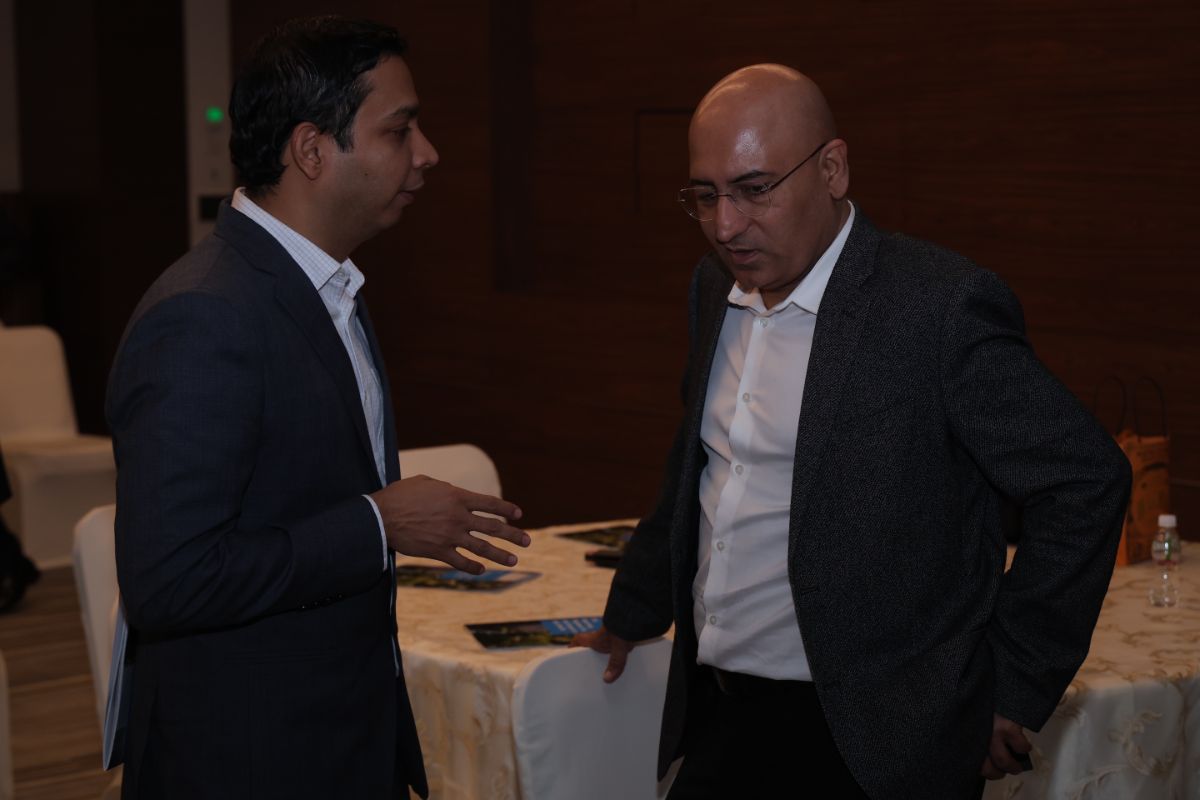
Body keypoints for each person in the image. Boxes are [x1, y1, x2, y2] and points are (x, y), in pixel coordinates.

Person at [573, 64, 1130, 799]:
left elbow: (1085, 479)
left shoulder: (936, 307)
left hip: (879, 744)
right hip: (722, 716)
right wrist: (635, 607)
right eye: (705, 196)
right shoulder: (714, 287)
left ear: (832, 169)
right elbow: (703, 459)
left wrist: (1012, 682)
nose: (725, 226)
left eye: (754, 189)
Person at [106, 16, 529, 800]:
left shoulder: (329, 287)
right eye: (399, 129)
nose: (428, 152)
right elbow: (169, 580)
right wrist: (378, 524)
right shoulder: (205, 315)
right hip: (250, 762)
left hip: (336, 737)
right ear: (311, 149)